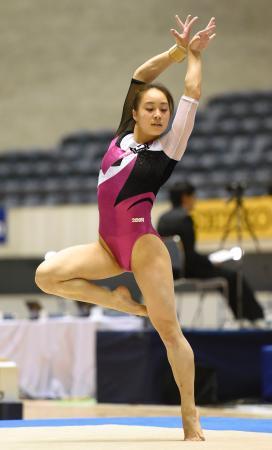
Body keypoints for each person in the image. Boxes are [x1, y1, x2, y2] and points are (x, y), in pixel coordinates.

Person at [35, 14, 216, 441]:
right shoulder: (121, 136)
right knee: (47, 277)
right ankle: (123, 303)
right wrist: (173, 51)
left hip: (142, 247)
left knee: (169, 332)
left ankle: (190, 417)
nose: (158, 114)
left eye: (164, 110)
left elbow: (191, 91)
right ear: (134, 111)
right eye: (150, 107)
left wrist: (194, 56)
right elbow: (140, 75)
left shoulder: (168, 148)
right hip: (105, 245)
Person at [157, 181, 265, 324]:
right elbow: (189, 257)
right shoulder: (185, 219)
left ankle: (247, 317)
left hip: (167, 271)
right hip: (187, 271)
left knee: (226, 276)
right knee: (234, 277)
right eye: (193, 196)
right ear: (185, 198)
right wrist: (210, 262)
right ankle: (255, 318)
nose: (195, 200)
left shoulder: (162, 219)